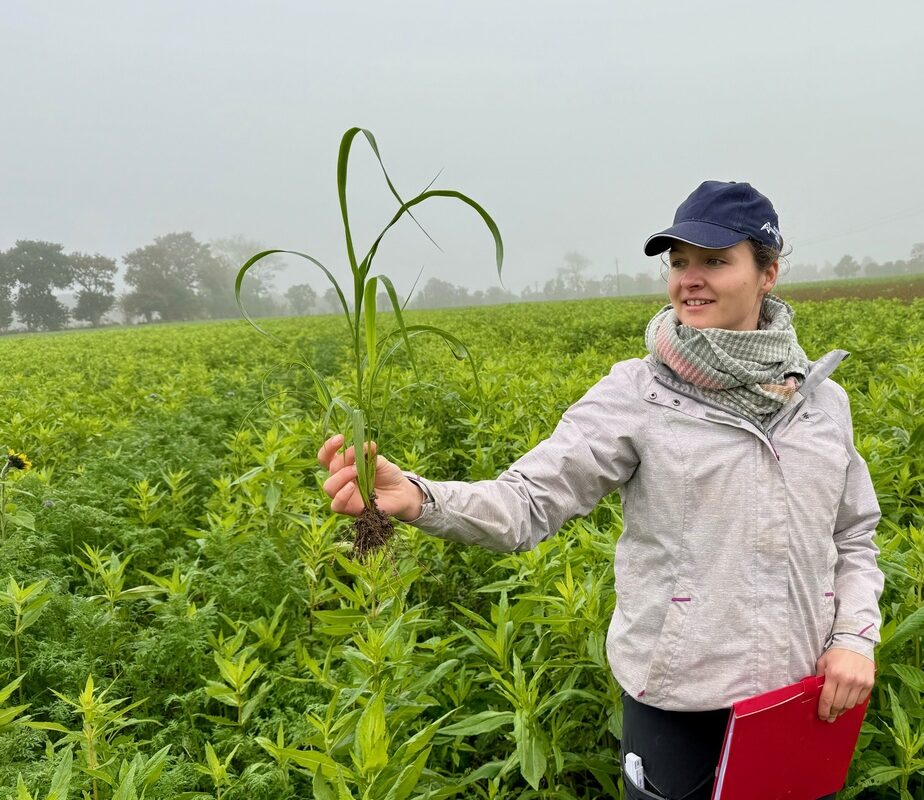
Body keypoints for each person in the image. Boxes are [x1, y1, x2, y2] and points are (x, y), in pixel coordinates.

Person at [318, 180, 884, 800]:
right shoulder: (637, 394)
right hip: (678, 702)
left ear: (768, 273)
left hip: (799, 694)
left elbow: (852, 533)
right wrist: (420, 498)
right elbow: (528, 502)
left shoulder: (822, 403)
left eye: (715, 261)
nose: (689, 278)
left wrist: (854, 638)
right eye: (678, 262)